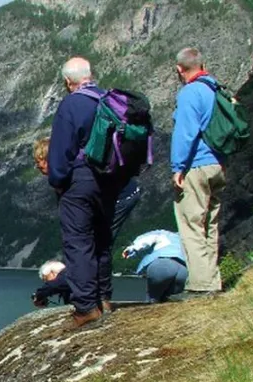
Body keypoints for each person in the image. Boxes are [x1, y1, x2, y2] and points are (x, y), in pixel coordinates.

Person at [46, 57, 128, 329]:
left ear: (68, 82)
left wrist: (58, 181)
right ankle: (104, 299)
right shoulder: (109, 100)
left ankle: (85, 308)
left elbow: (61, 150)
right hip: (111, 179)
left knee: (78, 240)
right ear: (90, 75)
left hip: (81, 179)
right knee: (102, 237)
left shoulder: (71, 103)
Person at [171, 47, 225, 295]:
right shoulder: (217, 89)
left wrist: (177, 168)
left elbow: (186, 133)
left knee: (192, 224)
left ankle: (201, 286)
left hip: (196, 165)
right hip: (218, 165)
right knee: (210, 224)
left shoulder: (190, 93)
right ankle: (212, 280)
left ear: (180, 69)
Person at [34, 137, 142, 243]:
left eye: (39, 161)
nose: (37, 166)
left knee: (100, 241)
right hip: (117, 193)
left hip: (122, 197)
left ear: (50, 159)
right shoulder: (67, 168)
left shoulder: (71, 174)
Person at [122, 230, 189, 303]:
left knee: (151, 300)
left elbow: (147, 240)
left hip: (163, 265)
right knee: (169, 301)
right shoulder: (187, 238)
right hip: (184, 271)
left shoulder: (163, 233)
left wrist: (132, 249)